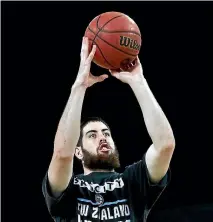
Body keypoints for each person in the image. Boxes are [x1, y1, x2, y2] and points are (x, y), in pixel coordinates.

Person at [42, 37, 175, 222]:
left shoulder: (133, 181)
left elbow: (165, 145)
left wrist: (139, 82)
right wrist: (79, 87)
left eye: (106, 133)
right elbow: (62, 154)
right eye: (92, 135)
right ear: (78, 152)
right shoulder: (70, 187)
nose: (102, 138)